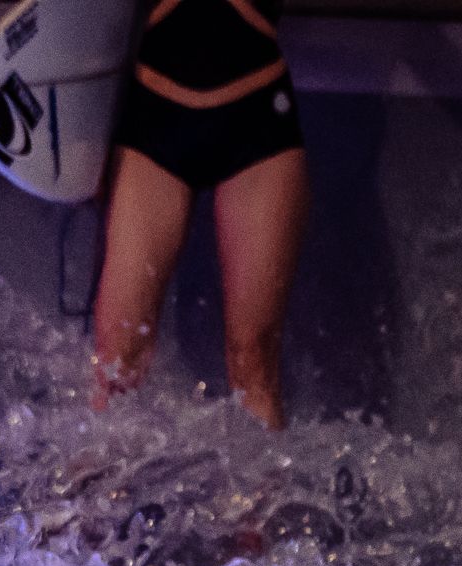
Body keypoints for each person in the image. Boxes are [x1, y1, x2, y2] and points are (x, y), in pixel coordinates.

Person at [92, 0, 309, 430]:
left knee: (253, 359)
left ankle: (266, 495)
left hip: (257, 121)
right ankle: (101, 494)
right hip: (154, 119)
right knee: (116, 360)